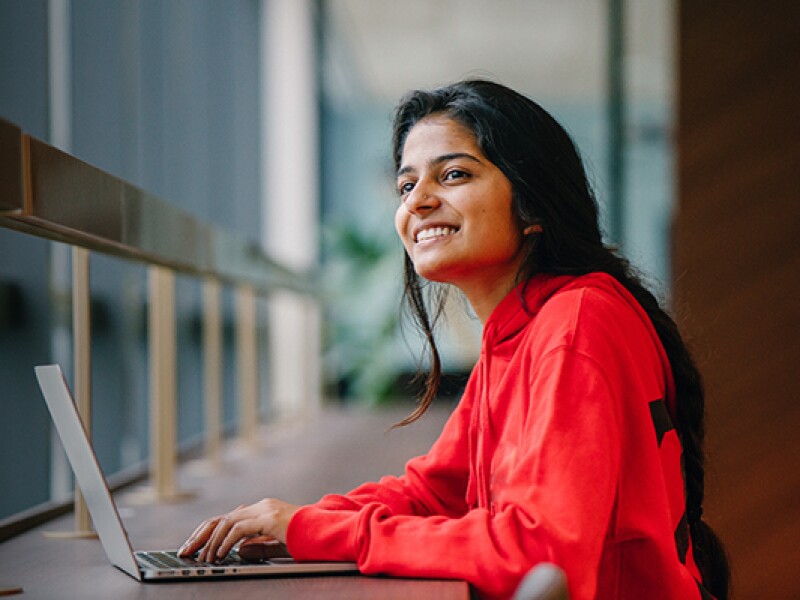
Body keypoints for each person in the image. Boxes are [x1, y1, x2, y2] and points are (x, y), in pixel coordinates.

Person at [179, 79, 730, 599]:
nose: (417, 201)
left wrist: (317, 532)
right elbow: (433, 492)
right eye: (406, 183)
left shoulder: (576, 322)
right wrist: (296, 522)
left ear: (533, 204)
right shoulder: (521, 329)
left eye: (453, 175)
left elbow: (543, 553)